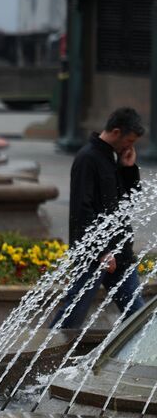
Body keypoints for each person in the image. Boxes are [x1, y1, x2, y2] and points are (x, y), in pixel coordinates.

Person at [53, 107, 147, 329]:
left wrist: (129, 169)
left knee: (137, 316)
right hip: (96, 254)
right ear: (116, 132)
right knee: (73, 313)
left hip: (119, 254)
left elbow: (129, 203)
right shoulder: (88, 159)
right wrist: (101, 251)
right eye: (129, 140)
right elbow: (82, 210)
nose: (130, 146)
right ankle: (44, 355)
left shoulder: (111, 158)